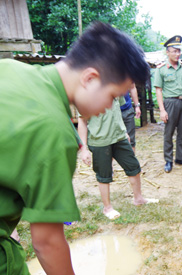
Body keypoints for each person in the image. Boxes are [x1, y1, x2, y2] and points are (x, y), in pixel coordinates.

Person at [0, 22, 149, 274]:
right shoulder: (53, 131)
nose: (111, 106)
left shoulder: (10, 68)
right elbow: (47, 242)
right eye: (113, 96)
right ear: (90, 78)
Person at [78, 95, 158, 220]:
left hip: (119, 136)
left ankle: (138, 199)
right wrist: (84, 149)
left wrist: (124, 131)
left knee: (133, 166)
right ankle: (107, 208)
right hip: (100, 141)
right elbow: (82, 121)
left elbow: (117, 111)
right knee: (104, 174)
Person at [154, 35, 182, 173]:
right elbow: (158, 90)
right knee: (169, 133)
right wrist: (162, 110)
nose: (177, 54)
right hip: (170, 103)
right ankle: (168, 160)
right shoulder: (161, 69)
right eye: (174, 51)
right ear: (168, 52)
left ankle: (180, 158)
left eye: (179, 51)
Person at [121, 83, 141, 152]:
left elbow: (132, 87)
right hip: (111, 111)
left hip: (127, 110)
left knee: (131, 140)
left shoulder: (127, 72)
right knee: (111, 142)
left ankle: (131, 161)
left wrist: (137, 106)